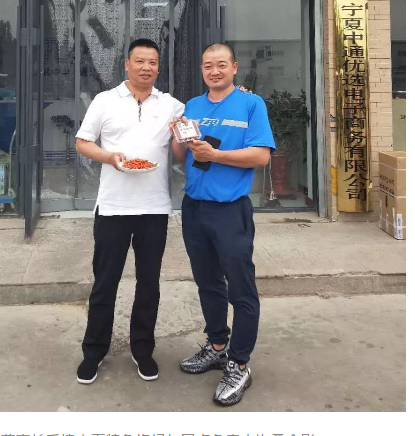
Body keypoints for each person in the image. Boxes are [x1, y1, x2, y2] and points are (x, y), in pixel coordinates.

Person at [170, 42, 275, 406]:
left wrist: (215, 155)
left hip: (231, 210)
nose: (214, 71)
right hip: (194, 208)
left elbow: (261, 156)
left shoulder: (251, 104)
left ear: (234, 68)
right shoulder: (193, 106)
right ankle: (217, 346)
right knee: (208, 283)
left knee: (241, 289)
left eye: (220, 65)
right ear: (202, 70)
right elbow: (181, 155)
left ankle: (239, 364)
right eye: (207, 66)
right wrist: (177, 136)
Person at [75, 38, 184, 384]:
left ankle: (143, 350)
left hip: (154, 209)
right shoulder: (105, 100)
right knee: (104, 283)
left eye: (152, 62)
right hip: (113, 208)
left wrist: (239, 92)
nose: (146, 67)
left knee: (149, 283)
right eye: (140, 61)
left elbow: (199, 122)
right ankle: (94, 351)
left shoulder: (171, 105)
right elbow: (82, 142)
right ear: (127, 64)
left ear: (158, 67)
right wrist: (109, 156)